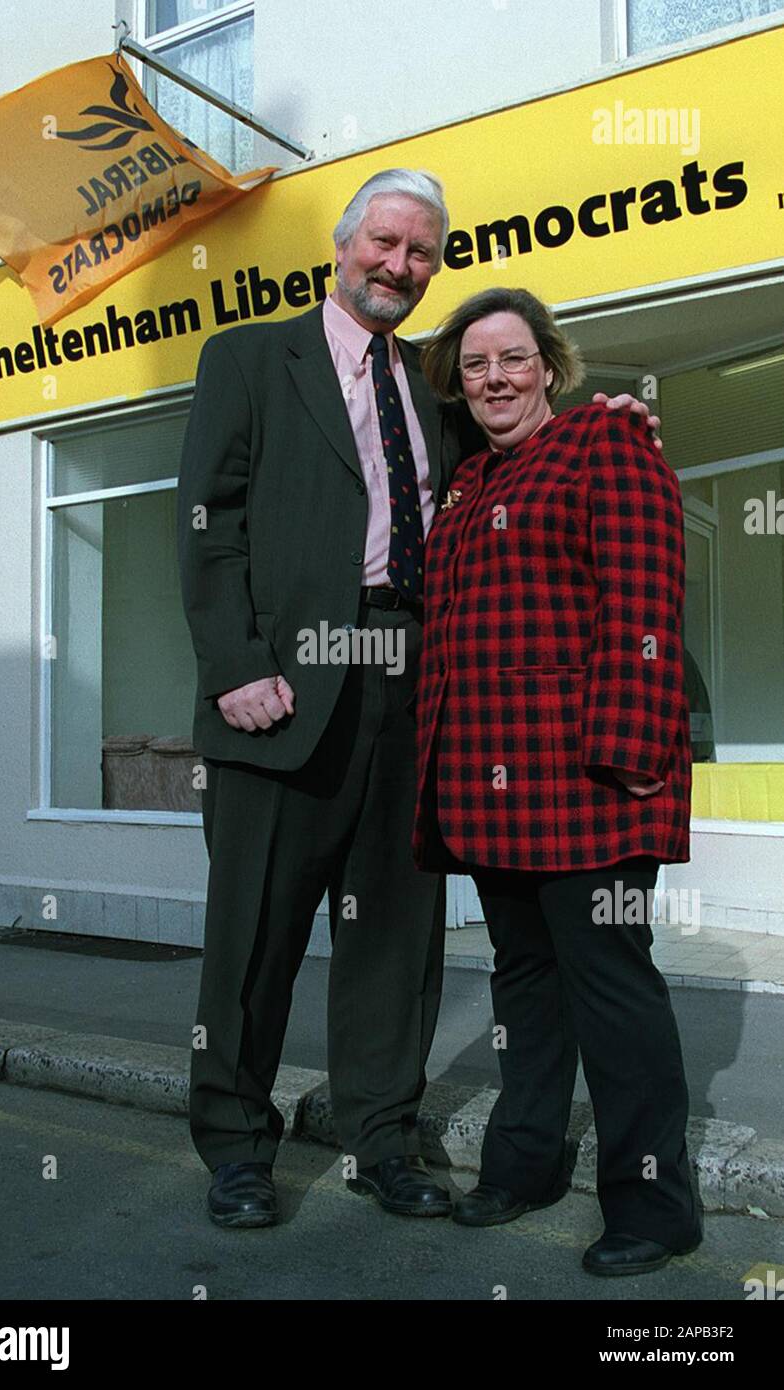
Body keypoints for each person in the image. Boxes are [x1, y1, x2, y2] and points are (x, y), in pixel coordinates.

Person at [177, 170, 660, 1230]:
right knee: (253, 932)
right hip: (283, 680)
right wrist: (233, 663)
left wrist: (610, 408)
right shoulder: (250, 357)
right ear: (342, 245)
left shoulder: (436, 391)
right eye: (384, 243)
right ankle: (237, 1145)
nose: (398, 266)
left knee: (394, 937)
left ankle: (382, 1137)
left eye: (420, 253)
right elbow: (209, 523)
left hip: (413, 677)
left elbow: (518, 432)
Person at [412, 286, 702, 1276]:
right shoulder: (463, 488)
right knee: (523, 988)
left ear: (548, 364)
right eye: (475, 364)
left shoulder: (603, 446)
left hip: (588, 786)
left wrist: (624, 757)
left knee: (612, 995)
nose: (493, 377)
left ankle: (656, 1207)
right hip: (493, 794)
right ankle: (524, 1164)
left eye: (511, 358)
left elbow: (644, 604)